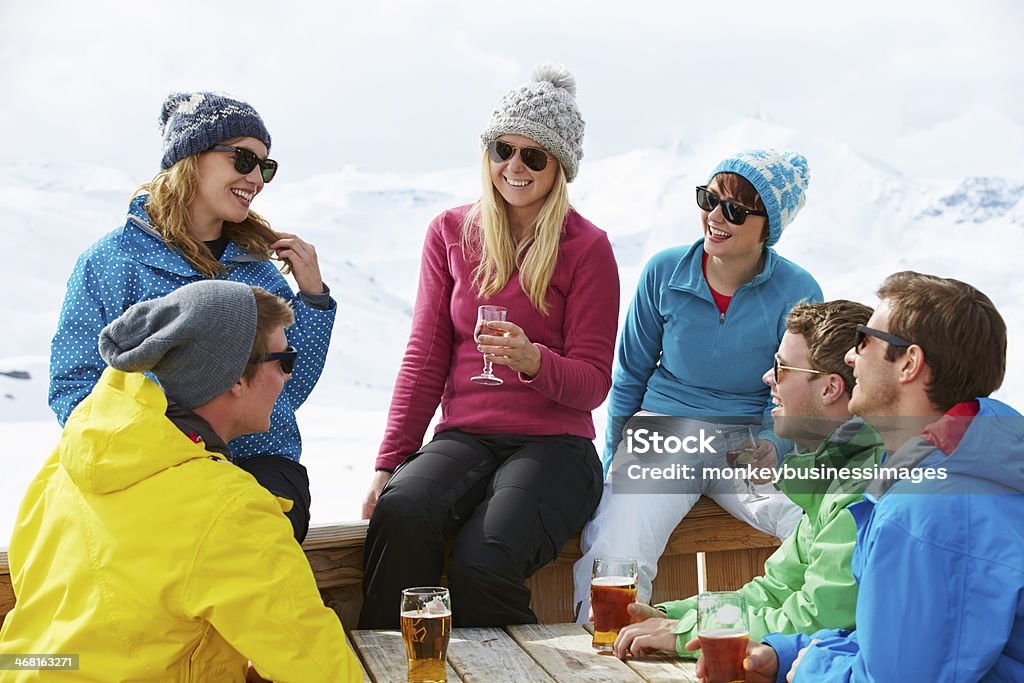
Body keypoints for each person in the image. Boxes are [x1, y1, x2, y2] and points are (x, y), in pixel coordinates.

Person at [358, 63, 619, 628]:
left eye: (535, 155)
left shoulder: (588, 247)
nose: (515, 167)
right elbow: (426, 355)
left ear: (561, 167)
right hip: (466, 434)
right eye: (504, 149)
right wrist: (389, 463)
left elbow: (595, 382)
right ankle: (397, 664)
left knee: (484, 558)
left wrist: (533, 360)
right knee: (402, 511)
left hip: (555, 446)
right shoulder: (450, 231)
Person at [0, 281, 361, 682]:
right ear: (235, 378)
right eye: (285, 360)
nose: (287, 378)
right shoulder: (228, 507)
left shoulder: (72, 459)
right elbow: (322, 671)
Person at [48, 91, 333, 542]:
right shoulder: (111, 262)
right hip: (149, 472)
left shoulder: (260, 268)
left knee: (250, 553)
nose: (258, 178)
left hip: (259, 460)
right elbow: (76, 387)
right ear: (190, 158)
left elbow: (285, 386)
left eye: (266, 166)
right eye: (244, 159)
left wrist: (313, 299)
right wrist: (159, 456)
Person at [719, 271, 1024, 682]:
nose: (850, 357)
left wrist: (812, 668)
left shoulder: (926, 512)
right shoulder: (947, 467)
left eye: (864, 340)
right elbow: (903, 643)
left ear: (910, 364)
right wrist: (787, 652)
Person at [573, 149, 822, 621]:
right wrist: (614, 460)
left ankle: (807, 633)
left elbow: (803, 391)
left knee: (811, 520)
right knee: (619, 542)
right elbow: (630, 373)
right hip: (664, 430)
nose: (714, 217)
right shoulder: (664, 272)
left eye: (733, 210)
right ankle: (599, 646)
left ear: (767, 227)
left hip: (750, 437)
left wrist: (774, 446)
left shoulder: (797, 289)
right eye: (709, 199)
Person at [612, 300, 885, 660]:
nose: (767, 378)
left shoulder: (859, 489)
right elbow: (774, 590)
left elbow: (818, 617)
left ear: (830, 388)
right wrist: (671, 616)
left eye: (781, 367)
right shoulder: (830, 476)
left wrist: (684, 636)